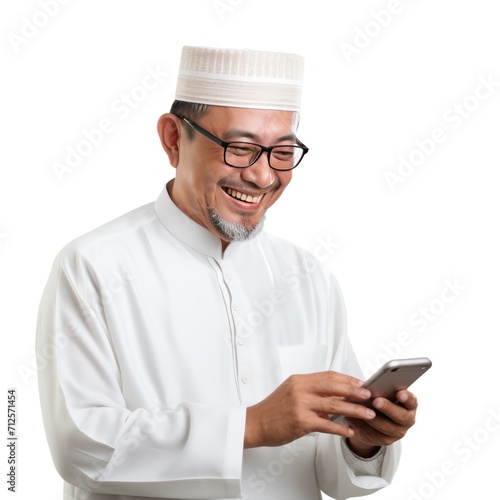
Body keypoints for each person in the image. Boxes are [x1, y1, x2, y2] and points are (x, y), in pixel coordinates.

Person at [36, 46, 418, 500]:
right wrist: (254, 424)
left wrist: (363, 442)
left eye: (281, 152)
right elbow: (82, 447)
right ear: (174, 139)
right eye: (240, 149)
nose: (262, 176)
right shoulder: (94, 265)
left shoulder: (309, 278)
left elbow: (334, 477)